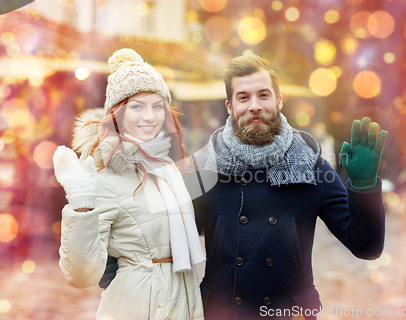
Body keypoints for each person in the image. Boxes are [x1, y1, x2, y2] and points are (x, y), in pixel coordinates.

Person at [102, 54, 388, 320]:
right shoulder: (202, 168)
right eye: (243, 97)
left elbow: (366, 247)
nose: (254, 105)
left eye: (263, 95)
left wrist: (362, 186)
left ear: (279, 100)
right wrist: (120, 258)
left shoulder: (311, 166)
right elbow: (167, 233)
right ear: (229, 106)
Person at [52, 49, 205, 320]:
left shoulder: (169, 170)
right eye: (137, 106)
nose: (150, 116)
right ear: (117, 115)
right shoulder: (105, 177)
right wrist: (82, 207)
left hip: (183, 302)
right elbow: (80, 276)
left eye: (157, 106)